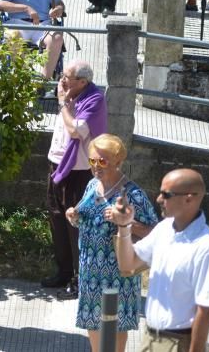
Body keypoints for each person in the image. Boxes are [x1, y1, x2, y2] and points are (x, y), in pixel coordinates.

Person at [112, 169, 209, 352]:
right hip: (150, 338)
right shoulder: (163, 229)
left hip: (178, 342)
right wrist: (124, 226)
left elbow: (204, 312)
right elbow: (127, 265)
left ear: (189, 198)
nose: (158, 199)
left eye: (166, 194)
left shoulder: (207, 247)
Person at [65, 134, 158, 352]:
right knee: (93, 325)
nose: (96, 166)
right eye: (92, 161)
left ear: (118, 161)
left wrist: (127, 222)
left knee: (113, 329)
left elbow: (157, 233)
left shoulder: (132, 194)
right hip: (90, 273)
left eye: (103, 161)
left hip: (117, 276)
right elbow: (88, 219)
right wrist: (75, 217)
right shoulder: (92, 185)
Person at [41, 59, 107, 300]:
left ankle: (80, 280)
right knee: (57, 218)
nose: (62, 79)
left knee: (75, 224)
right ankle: (63, 271)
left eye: (68, 76)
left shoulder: (94, 99)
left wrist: (63, 105)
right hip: (56, 165)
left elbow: (76, 131)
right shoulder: (69, 95)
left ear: (83, 81)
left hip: (78, 171)